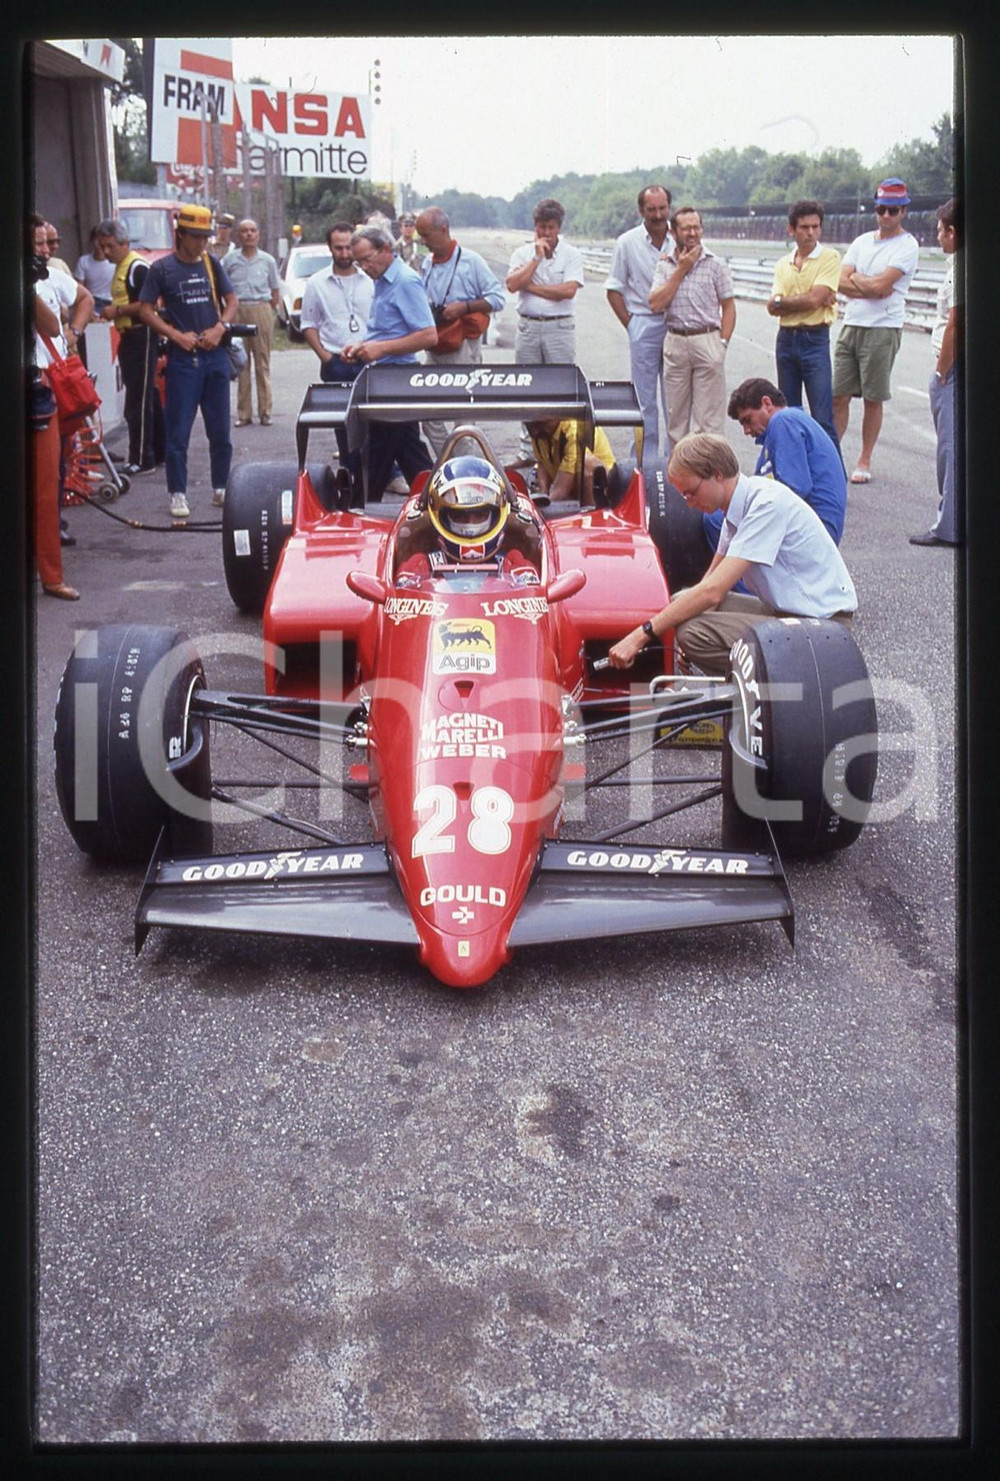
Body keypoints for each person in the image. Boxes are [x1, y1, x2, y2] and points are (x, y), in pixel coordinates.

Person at [608, 433, 856, 677]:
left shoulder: (766, 506)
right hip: (791, 612)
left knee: (693, 633)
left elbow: (712, 591)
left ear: (717, 474)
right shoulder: (738, 508)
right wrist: (670, 623)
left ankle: (773, 695)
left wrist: (641, 635)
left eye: (690, 492)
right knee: (681, 602)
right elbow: (708, 584)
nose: (688, 503)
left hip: (823, 627)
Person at [137, 203, 238, 521]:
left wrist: (220, 326)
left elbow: (232, 300)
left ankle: (221, 487)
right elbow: (144, 309)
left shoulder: (212, 263)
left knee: (220, 430)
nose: (201, 242)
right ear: (180, 234)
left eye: (205, 236)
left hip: (215, 357)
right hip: (183, 359)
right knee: (178, 431)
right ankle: (177, 492)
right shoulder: (162, 269)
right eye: (195, 236)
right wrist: (175, 335)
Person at [832, 178, 920, 485]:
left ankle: (865, 459)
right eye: (881, 209)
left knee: (872, 397)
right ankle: (832, 456)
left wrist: (864, 282)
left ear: (903, 211)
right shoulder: (862, 241)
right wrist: (869, 286)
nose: (886, 216)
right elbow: (840, 281)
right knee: (838, 395)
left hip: (883, 327)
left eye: (893, 211)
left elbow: (884, 287)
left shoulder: (907, 246)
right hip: (852, 323)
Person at [341, 225, 437, 500]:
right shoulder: (382, 282)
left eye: (366, 259)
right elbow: (387, 331)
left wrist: (380, 349)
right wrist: (362, 347)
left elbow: (428, 335)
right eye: (359, 262)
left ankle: (360, 508)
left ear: (385, 250)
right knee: (404, 451)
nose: (363, 267)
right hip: (384, 374)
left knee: (378, 452)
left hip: (398, 377)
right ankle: (435, 503)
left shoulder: (405, 281)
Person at [709, 377, 846, 545]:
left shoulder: (783, 421)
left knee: (715, 521)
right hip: (809, 525)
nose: (746, 430)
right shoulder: (784, 426)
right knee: (719, 512)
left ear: (767, 403)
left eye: (747, 420)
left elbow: (794, 489)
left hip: (814, 530)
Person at [414, 206, 506, 457]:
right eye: (420, 236)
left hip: (464, 347)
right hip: (435, 346)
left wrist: (464, 307)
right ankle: (452, 461)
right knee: (428, 415)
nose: (423, 242)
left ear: (443, 230)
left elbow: (497, 298)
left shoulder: (471, 261)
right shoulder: (426, 263)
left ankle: (463, 468)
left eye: (426, 235)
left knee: (464, 417)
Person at [650, 207, 735, 451]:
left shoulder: (715, 264)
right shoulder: (665, 265)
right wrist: (681, 270)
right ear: (673, 231)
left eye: (696, 227)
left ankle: (710, 473)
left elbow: (729, 307)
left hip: (707, 337)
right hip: (676, 340)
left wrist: (722, 345)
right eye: (686, 228)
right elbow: (655, 303)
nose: (692, 233)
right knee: (676, 420)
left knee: (708, 420)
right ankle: (679, 477)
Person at [300, 220, 376, 485]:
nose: (344, 254)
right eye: (338, 248)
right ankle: (350, 478)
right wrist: (325, 356)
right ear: (329, 248)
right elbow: (308, 324)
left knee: (375, 422)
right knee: (344, 427)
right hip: (336, 362)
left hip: (370, 361)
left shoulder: (370, 279)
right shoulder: (317, 283)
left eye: (348, 248)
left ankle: (378, 476)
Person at [766, 199, 842, 452]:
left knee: (822, 418)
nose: (810, 233)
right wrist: (801, 301)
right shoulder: (782, 264)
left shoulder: (829, 257)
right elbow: (770, 305)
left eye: (815, 227)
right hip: (786, 339)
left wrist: (783, 302)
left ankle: (833, 482)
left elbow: (814, 300)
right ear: (792, 230)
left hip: (814, 340)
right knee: (787, 414)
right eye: (804, 227)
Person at [29, 216, 79, 599]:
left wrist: (26, 284)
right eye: (38, 243)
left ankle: (50, 576)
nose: (45, 250)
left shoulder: (43, 279)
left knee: (47, 487)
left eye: (48, 243)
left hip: (37, 384)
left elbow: (50, 327)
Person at [605, 184, 673, 459]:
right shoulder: (627, 242)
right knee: (644, 403)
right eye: (651, 209)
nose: (657, 215)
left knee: (674, 403)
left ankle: (676, 466)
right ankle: (643, 465)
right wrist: (632, 325)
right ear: (641, 210)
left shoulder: (680, 238)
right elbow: (613, 289)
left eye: (662, 208)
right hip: (643, 323)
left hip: (675, 325)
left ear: (669, 208)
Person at [394, 455, 541, 581]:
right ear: (441, 517)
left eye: (480, 515)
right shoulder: (418, 566)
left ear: (497, 514)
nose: (470, 526)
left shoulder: (516, 565)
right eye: (459, 516)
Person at [96, 218, 165, 476]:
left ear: (124, 243)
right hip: (128, 335)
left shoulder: (137, 267)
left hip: (142, 334)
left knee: (139, 399)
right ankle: (159, 450)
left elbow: (150, 304)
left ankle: (141, 458)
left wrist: (119, 310)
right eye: (102, 247)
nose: (105, 252)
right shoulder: (122, 266)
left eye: (110, 246)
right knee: (148, 396)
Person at [910, 198, 961, 547]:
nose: (938, 237)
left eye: (941, 231)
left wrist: (942, 372)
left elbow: (955, 324)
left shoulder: (959, 269)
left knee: (950, 449)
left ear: (952, 231)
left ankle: (949, 526)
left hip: (953, 372)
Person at [506, 198, 585, 365]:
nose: (547, 233)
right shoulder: (521, 254)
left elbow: (567, 292)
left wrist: (528, 286)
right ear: (535, 227)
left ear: (559, 228)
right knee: (527, 381)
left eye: (551, 228)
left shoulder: (572, 254)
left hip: (559, 328)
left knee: (561, 381)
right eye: (542, 227)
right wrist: (537, 257)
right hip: (528, 327)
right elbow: (512, 285)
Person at [223, 217, 281, 427]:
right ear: (239, 235)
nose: (249, 234)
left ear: (258, 234)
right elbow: (223, 288)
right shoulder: (229, 260)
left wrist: (267, 310)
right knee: (241, 362)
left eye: (253, 230)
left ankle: (265, 412)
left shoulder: (268, 260)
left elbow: (275, 291)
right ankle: (244, 413)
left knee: (262, 362)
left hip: (261, 308)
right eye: (244, 231)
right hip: (237, 309)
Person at [524, 418, 617, 506]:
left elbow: (561, 489)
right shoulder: (538, 431)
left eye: (539, 425)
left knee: (587, 464)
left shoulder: (573, 430)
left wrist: (544, 508)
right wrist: (542, 495)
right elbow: (542, 462)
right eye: (531, 427)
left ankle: (589, 514)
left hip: (604, 488)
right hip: (573, 487)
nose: (536, 431)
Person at [75, 226, 115, 312]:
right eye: (97, 240)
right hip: (92, 302)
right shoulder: (84, 261)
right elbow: (79, 288)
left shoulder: (115, 262)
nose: (100, 245)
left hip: (112, 302)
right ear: (92, 241)